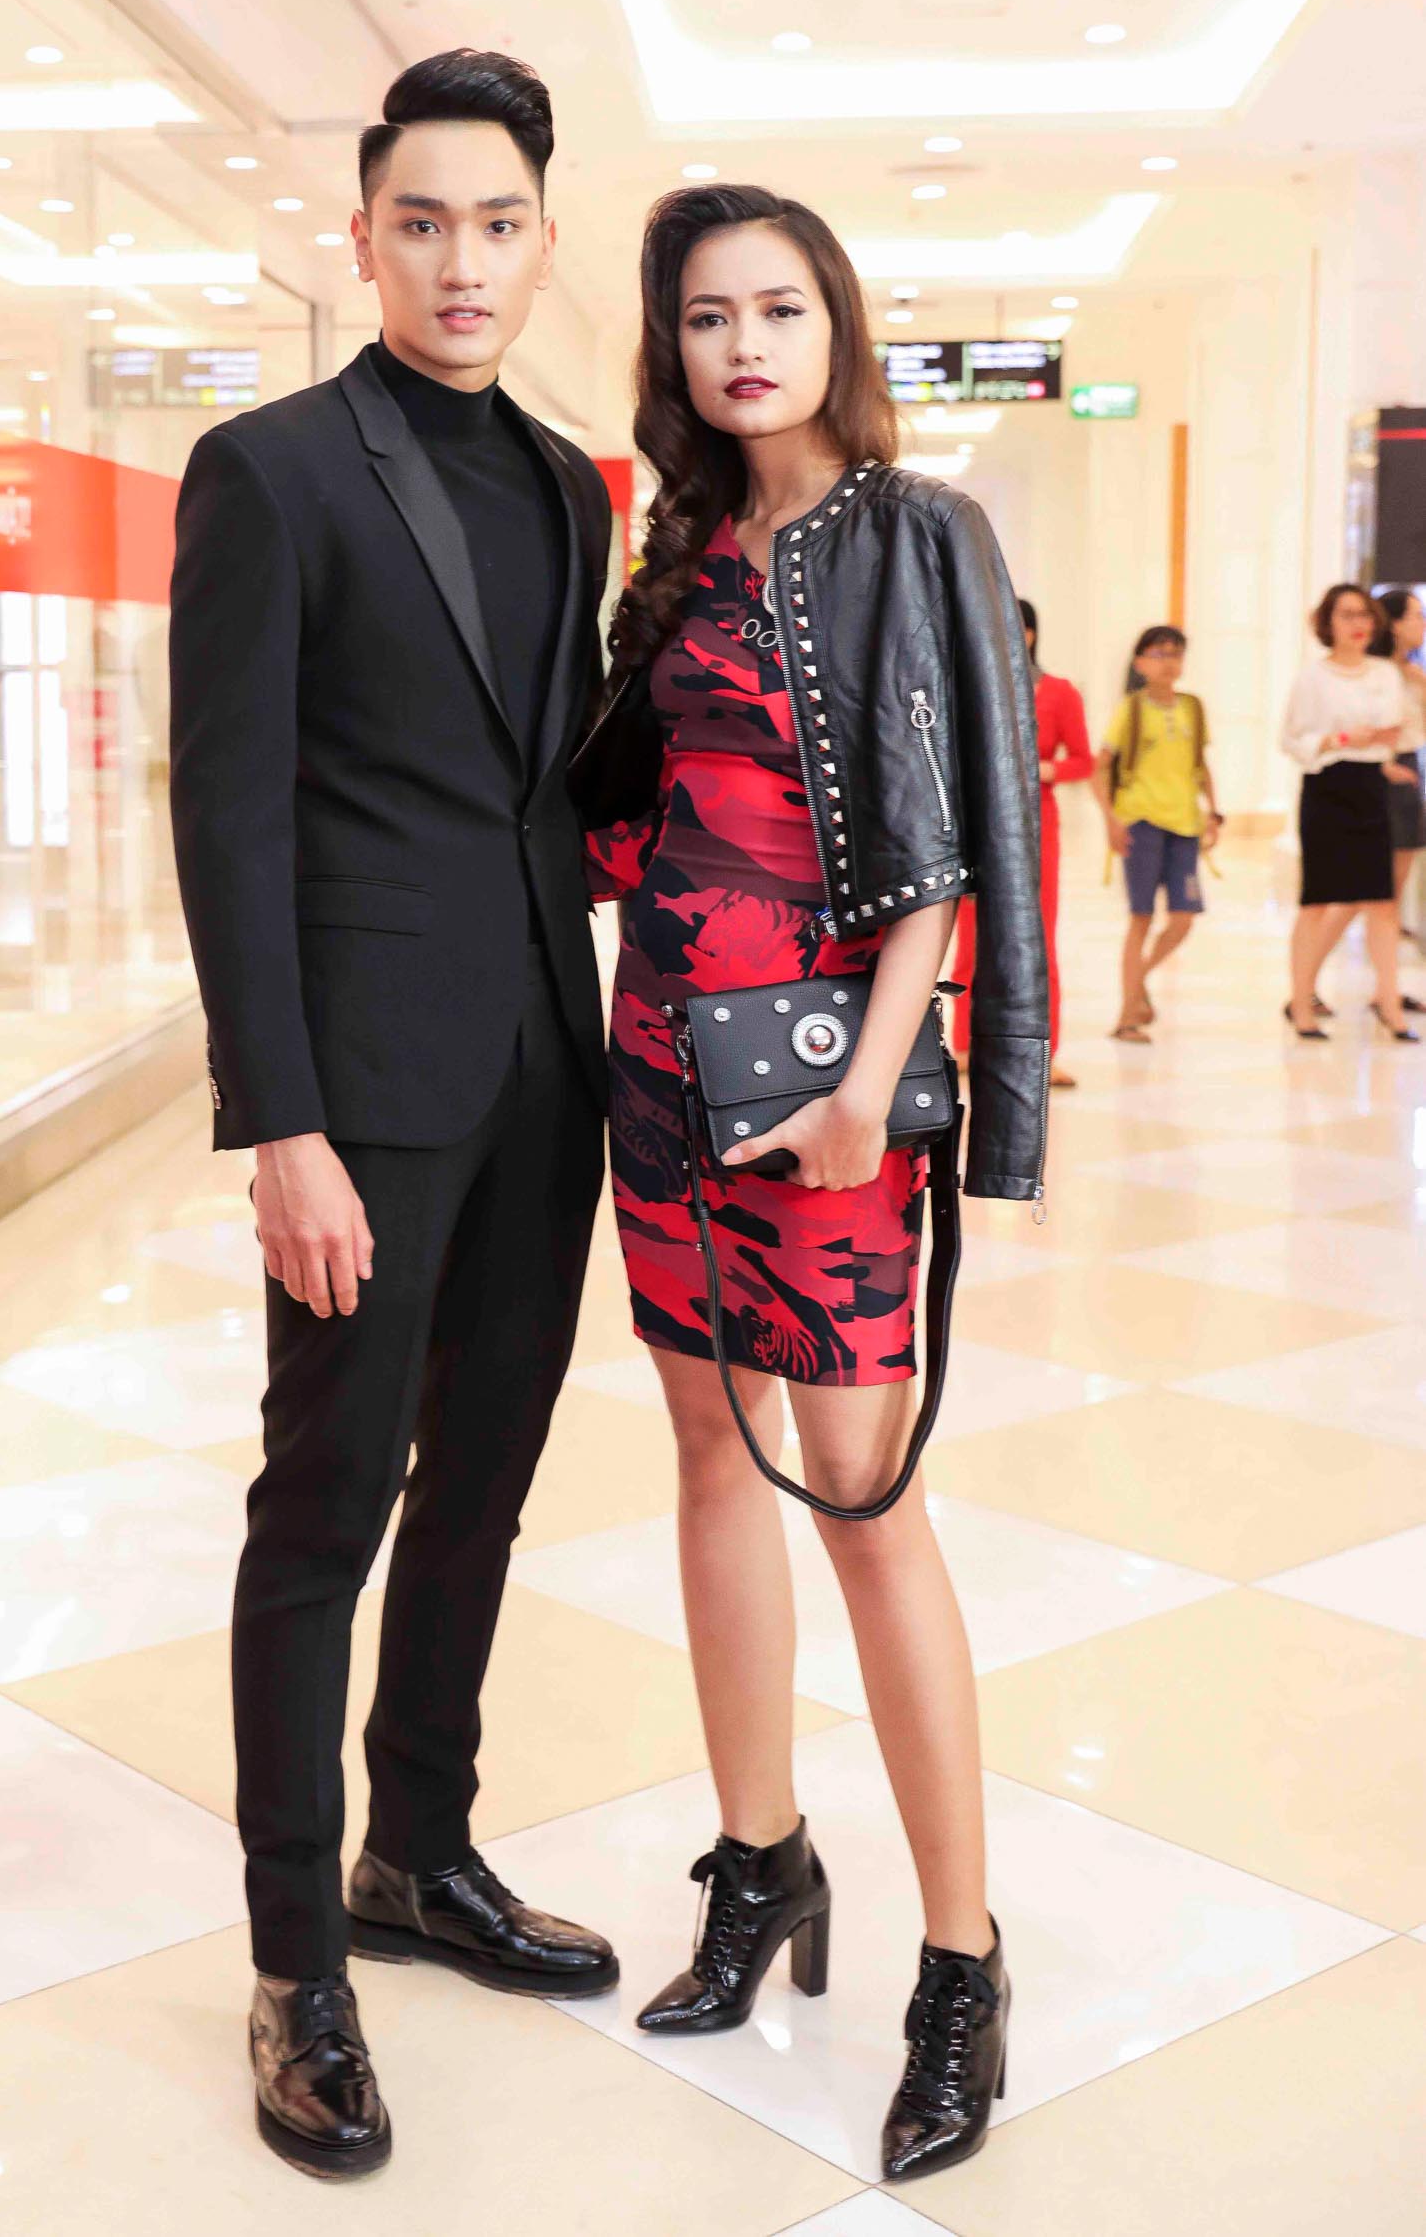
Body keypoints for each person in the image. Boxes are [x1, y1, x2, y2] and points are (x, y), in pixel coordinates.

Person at [169, 49, 618, 2184]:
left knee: (485, 1487)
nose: (458, 259)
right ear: (362, 239)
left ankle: (415, 1854)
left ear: (541, 243)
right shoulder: (268, 471)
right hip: (362, 1092)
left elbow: (557, 782)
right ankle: (295, 1966)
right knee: (325, 1502)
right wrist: (282, 1120)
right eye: (420, 221)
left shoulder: (573, 484)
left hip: (546, 1072)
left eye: (495, 223)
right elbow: (231, 815)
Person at [581, 184, 1047, 2185]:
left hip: (824, 1091)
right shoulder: (675, 553)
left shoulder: (914, 529)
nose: (743, 345)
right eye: (706, 317)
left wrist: (869, 1086)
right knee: (707, 1452)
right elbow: (630, 806)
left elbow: (946, 840)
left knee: (862, 1496)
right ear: (670, 347)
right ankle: (758, 1856)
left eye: (776, 308)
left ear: (833, 325)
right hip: (662, 1068)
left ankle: (959, 1959)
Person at [950, 596, 1091, 1087]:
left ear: (1029, 634)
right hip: (976, 826)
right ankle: (963, 1046)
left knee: (1038, 941)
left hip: (1036, 829)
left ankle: (1043, 1054)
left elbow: (1084, 761)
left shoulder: (1060, 693)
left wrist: (1042, 769)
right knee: (970, 939)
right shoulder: (968, 685)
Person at [1281, 583, 1416, 1041]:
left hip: (1371, 787)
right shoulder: (1312, 678)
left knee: (1381, 901)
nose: (1358, 624)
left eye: (1364, 615)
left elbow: (1395, 729)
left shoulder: (1384, 674)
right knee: (1317, 902)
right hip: (1327, 788)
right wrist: (1338, 739)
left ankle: (1390, 1003)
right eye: (1347, 615)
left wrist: (1378, 738)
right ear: (1328, 622)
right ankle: (1301, 1003)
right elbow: (1292, 738)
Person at [1090, 625, 1221, 1042]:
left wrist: (1214, 812)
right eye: (1159, 654)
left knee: (1183, 919)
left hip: (1185, 826)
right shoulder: (1130, 710)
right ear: (1140, 662)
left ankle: (1138, 982)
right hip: (1142, 824)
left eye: (1176, 654)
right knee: (1141, 918)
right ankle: (1127, 1017)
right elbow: (1100, 767)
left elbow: (1199, 764)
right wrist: (1111, 820)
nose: (1169, 663)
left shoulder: (1193, 708)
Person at [1370, 587, 1426, 1004]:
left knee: (1387, 894)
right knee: (1370, 894)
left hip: (1407, 774)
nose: (1422, 624)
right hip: (1384, 777)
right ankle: (1385, 992)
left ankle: (1386, 990)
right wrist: (1384, 766)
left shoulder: (1410, 673)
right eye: (1416, 616)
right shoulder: (1376, 675)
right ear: (1393, 624)